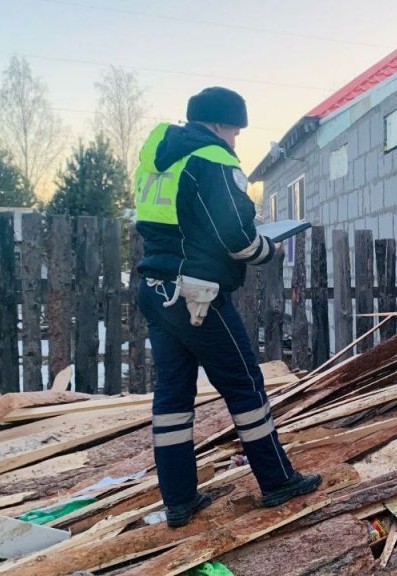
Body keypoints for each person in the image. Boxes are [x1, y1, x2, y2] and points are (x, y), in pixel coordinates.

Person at [134, 86, 320, 528]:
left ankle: (179, 500)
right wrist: (269, 250)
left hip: (156, 288)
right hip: (197, 294)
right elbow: (236, 236)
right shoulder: (213, 158)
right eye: (235, 131)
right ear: (219, 124)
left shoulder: (158, 158)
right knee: (245, 386)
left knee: (172, 396)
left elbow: (181, 223)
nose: (235, 140)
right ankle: (277, 481)